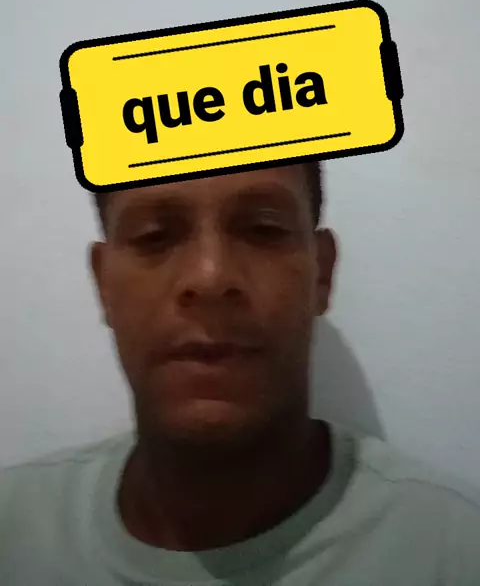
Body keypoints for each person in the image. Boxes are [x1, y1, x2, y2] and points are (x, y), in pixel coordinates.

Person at [1, 160, 480, 585]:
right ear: (104, 284)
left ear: (322, 273)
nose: (210, 277)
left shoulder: (454, 553)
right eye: (155, 236)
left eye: (263, 229)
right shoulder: (14, 532)